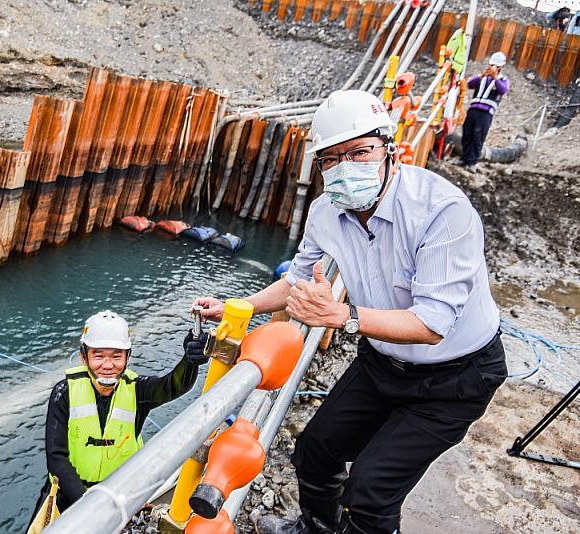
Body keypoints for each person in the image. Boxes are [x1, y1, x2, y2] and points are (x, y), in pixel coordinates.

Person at [194, 90, 507, 534]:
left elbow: (433, 324)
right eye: (331, 158)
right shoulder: (325, 213)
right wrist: (237, 306)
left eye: (360, 152)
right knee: (314, 451)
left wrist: (341, 315)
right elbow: (295, 281)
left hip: (455, 378)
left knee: (371, 490)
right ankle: (318, 527)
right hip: (381, 362)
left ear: (389, 149)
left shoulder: (441, 211)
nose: (346, 167)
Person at [32, 310, 207, 516]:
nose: (108, 365)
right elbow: (56, 458)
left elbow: (174, 386)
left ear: (127, 358)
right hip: (68, 495)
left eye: (117, 356)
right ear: (83, 357)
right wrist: (86, 504)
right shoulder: (64, 392)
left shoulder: (137, 390)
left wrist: (190, 361)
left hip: (118, 497)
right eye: (98, 356)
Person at [460, 51, 509, 172]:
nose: (493, 68)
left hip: (486, 113)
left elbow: (503, 90)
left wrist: (495, 78)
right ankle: (464, 158)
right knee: (467, 133)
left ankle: (472, 162)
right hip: (473, 109)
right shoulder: (482, 77)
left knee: (478, 136)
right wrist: (482, 75)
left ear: (501, 67)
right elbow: (470, 84)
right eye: (492, 65)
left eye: (496, 66)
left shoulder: (502, 80)